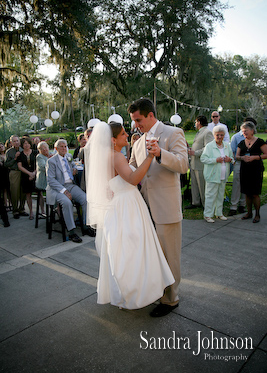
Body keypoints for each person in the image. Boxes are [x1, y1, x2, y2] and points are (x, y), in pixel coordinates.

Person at [85, 121, 174, 310]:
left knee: (127, 251)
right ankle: (134, 293)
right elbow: (133, 179)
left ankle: (128, 292)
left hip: (119, 204)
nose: (127, 135)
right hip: (126, 208)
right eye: (123, 133)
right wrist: (150, 156)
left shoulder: (108, 156)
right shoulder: (116, 156)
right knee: (133, 250)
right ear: (113, 140)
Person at [128, 98, 189, 317]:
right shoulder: (137, 142)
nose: (136, 124)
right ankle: (157, 290)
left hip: (166, 206)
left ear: (150, 115)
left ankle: (171, 299)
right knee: (154, 255)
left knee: (169, 255)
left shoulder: (173, 133)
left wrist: (161, 153)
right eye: (134, 121)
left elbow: (183, 164)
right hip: (144, 209)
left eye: (139, 120)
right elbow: (133, 168)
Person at [46, 139, 95, 243]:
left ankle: (86, 226)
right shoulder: (51, 161)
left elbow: (73, 165)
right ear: (56, 149)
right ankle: (72, 231)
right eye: (61, 147)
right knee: (67, 202)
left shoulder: (68, 156)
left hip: (70, 185)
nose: (64, 148)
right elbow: (51, 180)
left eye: (65, 146)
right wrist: (64, 191)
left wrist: (74, 169)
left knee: (86, 199)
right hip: (57, 188)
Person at [200, 125, 234, 223]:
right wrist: (215, 160)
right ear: (214, 135)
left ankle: (219, 213)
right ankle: (208, 215)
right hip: (212, 175)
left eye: (222, 135)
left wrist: (230, 159)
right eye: (217, 135)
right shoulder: (209, 146)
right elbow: (203, 158)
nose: (219, 137)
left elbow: (232, 158)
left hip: (223, 175)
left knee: (220, 195)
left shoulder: (227, 145)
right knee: (210, 195)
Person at [235, 121, 267, 223]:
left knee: (255, 193)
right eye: (243, 131)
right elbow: (237, 156)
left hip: (256, 170)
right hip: (245, 169)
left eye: (246, 131)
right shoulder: (241, 143)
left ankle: (257, 214)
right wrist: (242, 157)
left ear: (252, 131)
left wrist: (255, 157)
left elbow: (266, 154)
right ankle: (249, 213)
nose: (244, 133)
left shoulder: (260, 142)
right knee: (247, 193)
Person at [228, 117, 257, 216]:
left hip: (250, 164)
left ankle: (242, 205)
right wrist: (235, 161)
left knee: (246, 185)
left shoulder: (254, 138)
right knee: (237, 185)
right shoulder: (236, 137)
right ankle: (233, 206)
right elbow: (231, 151)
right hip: (239, 163)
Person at [186, 115, 213, 209]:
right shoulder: (199, 132)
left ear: (199, 122)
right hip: (194, 163)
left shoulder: (207, 132)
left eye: (196, 122)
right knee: (194, 184)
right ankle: (195, 202)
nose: (195, 124)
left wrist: (195, 152)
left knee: (202, 185)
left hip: (201, 163)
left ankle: (205, 204)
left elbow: (208, 148)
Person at [4, 135, 27, 219]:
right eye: (14, 141)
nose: (16, 142)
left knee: (23, 191)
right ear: (11, 142)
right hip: (14, 172)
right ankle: (15, 210)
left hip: (23, 172)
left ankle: (22, 209)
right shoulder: (9, 152)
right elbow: (6, 164)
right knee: (14, 192)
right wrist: (15, 158)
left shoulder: (23, 150)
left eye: (17, 140)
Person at [17, 137, 38, 220]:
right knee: (28, 194)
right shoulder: (20, 154)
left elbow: (39, 164)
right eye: (25, 143)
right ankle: (31, 212)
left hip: (36, 175)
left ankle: (43, 211)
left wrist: (34, 173)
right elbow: (20, 166)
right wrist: (29, 173)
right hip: (25, 177)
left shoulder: (36, 153)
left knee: (39, 193)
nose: (26, 145)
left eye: (28, 143)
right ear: (22, 145)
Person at [36, 141, 50, 216]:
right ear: (39, 150)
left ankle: (56, 210)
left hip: (50, 180)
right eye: (42, 148)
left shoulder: (51, 154)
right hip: (43, 181)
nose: (44, 149)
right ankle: (43, 211)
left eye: (45, 147)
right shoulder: (39, 156)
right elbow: (44, 167)